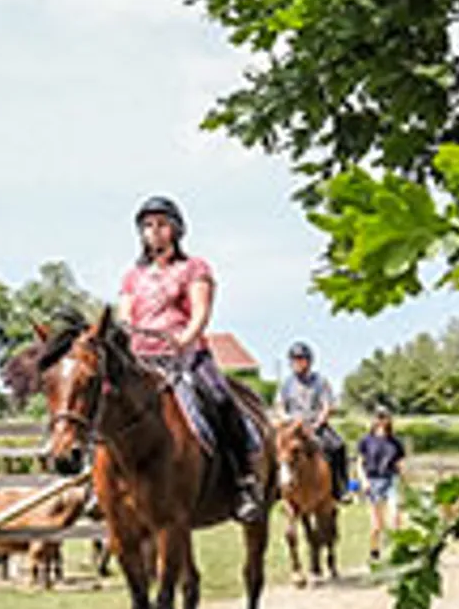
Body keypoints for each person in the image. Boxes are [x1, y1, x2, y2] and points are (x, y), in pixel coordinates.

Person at [115, 195, 263, 523]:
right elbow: (125, 317)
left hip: (186, 355)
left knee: (221, 399)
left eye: (162, 224)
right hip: (141, 360)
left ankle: (243, 482)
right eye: (148, 226)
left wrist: (184, 339)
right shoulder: (132, 276)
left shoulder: (194, 268)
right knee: (108, 404)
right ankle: (102, 489)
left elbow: (200, 312)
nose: (154, 231)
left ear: (177, 230)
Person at [276, 341, 349, 503]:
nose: (297, 363)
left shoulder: (320, 382)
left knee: (338, 446)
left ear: (309, 361)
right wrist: (288, 420)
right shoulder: (286, 384)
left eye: (301, 359)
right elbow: (280, 406)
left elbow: (327, 406)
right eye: (294, 359)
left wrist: (317, 424)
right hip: (292, 428)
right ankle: (274, 489)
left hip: (316, 426)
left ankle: (341, 488)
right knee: (274, 449)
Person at [357, 405, 407, 562]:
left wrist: (406, 484)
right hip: (373, 481)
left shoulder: (395, 442)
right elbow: (359, 463)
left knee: (395, 519)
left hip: (390, 480)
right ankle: (374, 552)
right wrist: (363, 481)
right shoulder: (366, 441)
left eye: (384, 417)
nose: (381, 420)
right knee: (376, 525)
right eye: (378, 417)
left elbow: (400, 465)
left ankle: (398, 552)